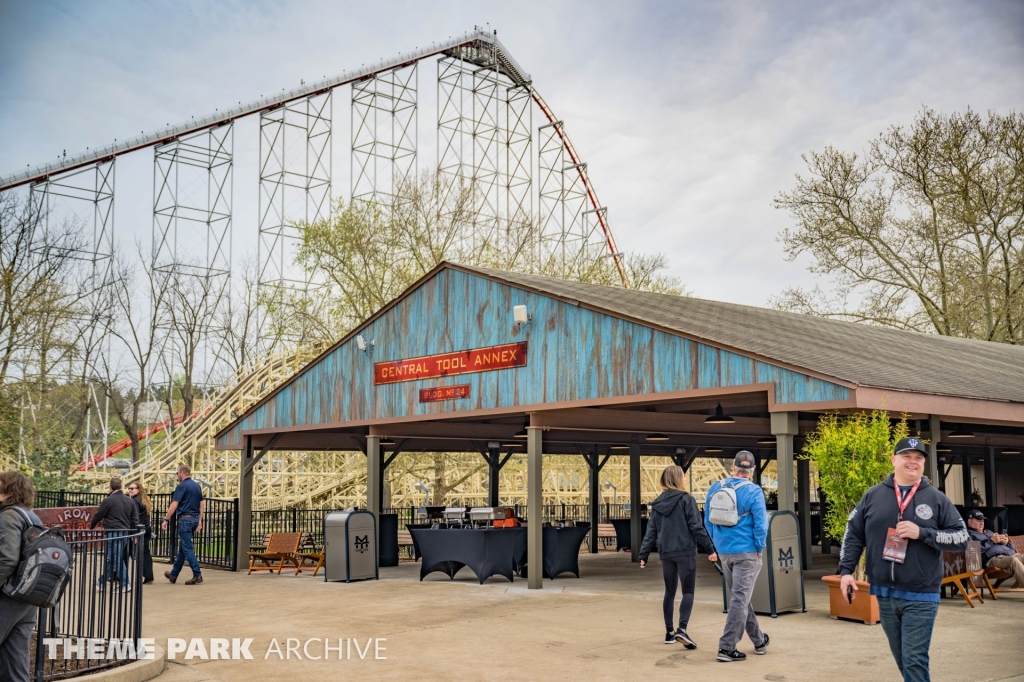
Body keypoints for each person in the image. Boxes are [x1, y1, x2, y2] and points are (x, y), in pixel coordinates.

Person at [839, 437, 968, 682]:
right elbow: (853, 534)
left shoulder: (937, 499)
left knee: (914, 660)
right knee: (903, 659)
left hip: (921, 594)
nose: (913, 461)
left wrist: (923, 533)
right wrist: (846, 571)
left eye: (919, 458)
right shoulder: (873, 495)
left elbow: (961, 537)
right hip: (885, 593)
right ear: (894, 460)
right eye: (907, 456)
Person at [639, 465, 716, 647]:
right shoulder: (686, 500)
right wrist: (710, 549)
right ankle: (682, 629)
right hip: (685, 551)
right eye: (683, 477)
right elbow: (696, 527)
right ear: (677, 479)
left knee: (670, 592)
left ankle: (669, 633)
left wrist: (644, 554)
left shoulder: (657, 504)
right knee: (688, 591)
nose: (685, 480)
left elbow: (651, 532)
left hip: (666, 553)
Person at [704, 451, 769, 663]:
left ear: (733, 467)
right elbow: (761, 524)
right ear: (753, 470)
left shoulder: (716, 487)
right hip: (747, 552)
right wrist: (759, 547)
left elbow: (707, 519)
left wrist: (717, 541)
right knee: (740, 599)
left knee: (741, 598)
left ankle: (759, 640)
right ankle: (726, 647)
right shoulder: (754, 491)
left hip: (725, 552)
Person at [0, 471, 40, 682]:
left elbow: (7, 559)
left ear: (8, 490)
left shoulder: (8, 515)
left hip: (9, 595)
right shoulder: (30, 515)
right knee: (15, 660)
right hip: (27, 596)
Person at [89, 476, 140, 592]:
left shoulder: (108, 500)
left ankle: (125, 583)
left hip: (113, 532)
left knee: (116, 558)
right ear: (121, 487)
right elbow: (135, 519)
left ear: (110, 487)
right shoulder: (129, 500)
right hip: (125, 533)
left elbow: (98, 515)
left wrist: (91, 527)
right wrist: (135, 533)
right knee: (113, 558)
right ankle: (101, 581)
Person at [162, 464, 205, 585]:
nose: (177, 475)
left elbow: (174, 504)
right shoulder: (196, 486)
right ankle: (173, 574)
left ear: (181, 473)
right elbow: (202, 504)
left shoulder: (182, 486)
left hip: (185, 519)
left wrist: (166, 519)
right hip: (195, 518)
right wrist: (200, 520)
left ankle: (197, 574)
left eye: (177, 473)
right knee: (183, 548)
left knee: (187, 548)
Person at [965, 509, 1024, 588]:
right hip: (991, 559)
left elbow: (1012, 549)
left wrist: (1007, 543)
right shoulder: (968, 535)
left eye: (983, 520)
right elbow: (973, 552)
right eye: (978, 520)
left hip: (1009, 554)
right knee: (1014, 561)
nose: (982, 523)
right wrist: (991, 541)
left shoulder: (989, 532)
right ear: (970, 521)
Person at [128, 480, 154, 584]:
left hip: (139, 529)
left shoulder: (134, 501)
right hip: (146, 528)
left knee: (131, 553)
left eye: (132, 488)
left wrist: (134, 532)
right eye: (129, 488)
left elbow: (135, 517)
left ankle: (118, 576)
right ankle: (148, 576)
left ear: (138, 490)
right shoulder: (143, 500)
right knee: (145, 553)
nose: (130, 490)